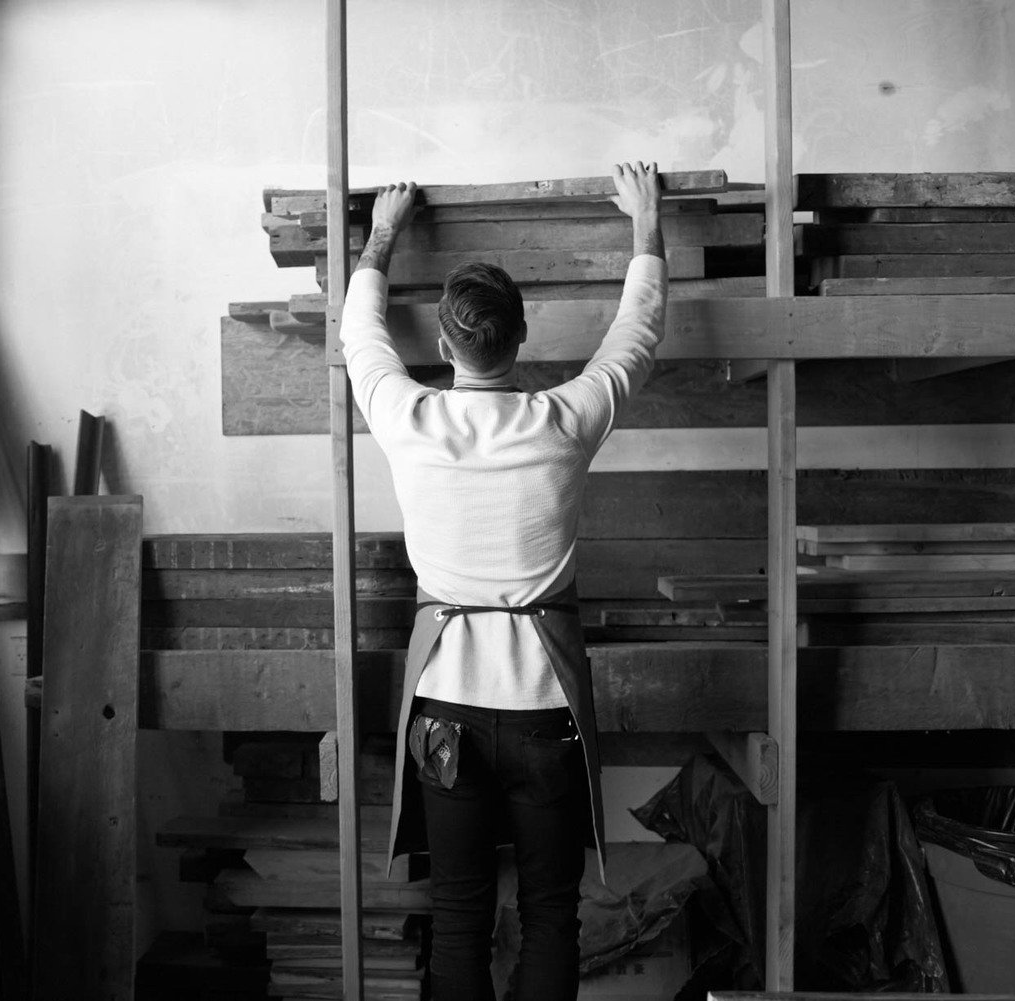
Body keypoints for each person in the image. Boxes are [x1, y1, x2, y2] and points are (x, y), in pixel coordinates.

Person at [338, 162, 669, 1001]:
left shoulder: (407, 418)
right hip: (544, 715)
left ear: (445, 348)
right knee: (552, 912)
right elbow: (638, 332)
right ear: (521, 340)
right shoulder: (564, 421)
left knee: (458, 916)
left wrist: (384, 229)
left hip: (445, 714)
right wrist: (645, 221)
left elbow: (357, 332)